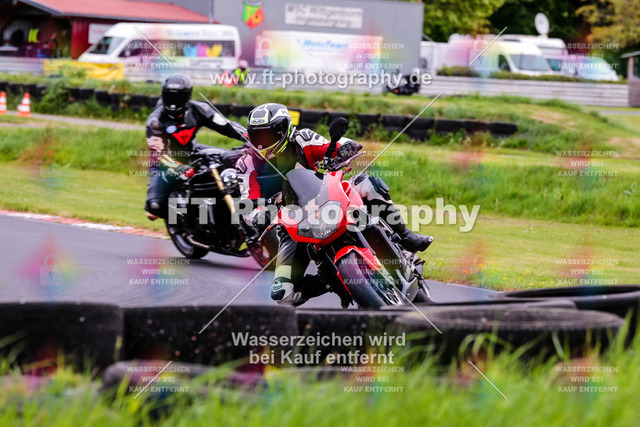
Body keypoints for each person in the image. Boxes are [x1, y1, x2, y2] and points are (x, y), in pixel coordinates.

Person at [236, 103, 433, 305]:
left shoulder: (302, 139)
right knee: (283, 294)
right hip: (291, 225)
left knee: (369, 184)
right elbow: (246, 205)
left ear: (284, 129)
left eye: (268, 134)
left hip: (327, 197)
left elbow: (328, 146)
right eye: (257, 136)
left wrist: (345, 148)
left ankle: (405, 236)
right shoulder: (246, 165)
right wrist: (258, 216)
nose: (262, 143)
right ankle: (330, 279)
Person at [145, 73, 247, 220]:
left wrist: (250, 137)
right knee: (153, 210)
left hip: (193, 151)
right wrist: (178, 168)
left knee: (232, 159)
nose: (174, 102)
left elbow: (226, 125)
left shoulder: (200, 109)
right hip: (165, 162)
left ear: (187, 96)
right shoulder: (155, 121)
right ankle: (180, 220)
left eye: (178, 97)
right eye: (170, 96)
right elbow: (157, 153)